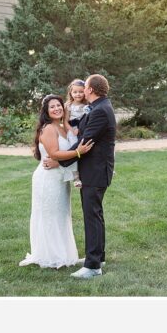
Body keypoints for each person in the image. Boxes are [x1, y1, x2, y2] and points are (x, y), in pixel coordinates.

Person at [20, 93, 94, 272]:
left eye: (59, 105)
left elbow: (65, 148)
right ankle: (49, 256)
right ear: (46, 111)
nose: (56, 109)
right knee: (49, 216)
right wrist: (79, 152)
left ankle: (64, 254)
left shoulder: (61, 127)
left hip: (60, 179)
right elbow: (54, 154)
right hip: (47, 179)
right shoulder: (48, 129)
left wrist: (67, 122)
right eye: (52, 107)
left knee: (61, 215)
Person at [70, 73, 117, 280]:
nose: (83, 89)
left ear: (90, 90)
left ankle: (93, 266)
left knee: (92, 216)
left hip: (95, 171)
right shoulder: (99, 107)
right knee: (95, 215)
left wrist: (58, 159)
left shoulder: (100, 110)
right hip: (96, 170)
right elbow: (82, 131)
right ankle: (97, 256)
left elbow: (85, 141)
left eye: (85, 87)